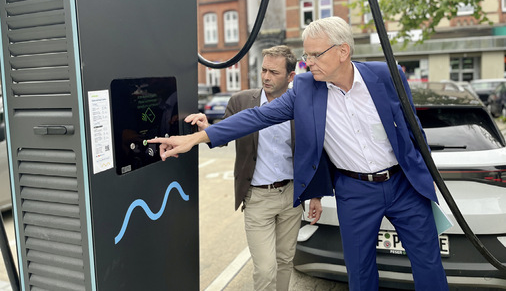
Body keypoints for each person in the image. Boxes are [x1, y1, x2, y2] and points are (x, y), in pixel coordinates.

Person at [149, 17, 449, 291]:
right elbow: (257, 117)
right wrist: (198, 138)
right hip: (355, 191)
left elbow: (414, 131)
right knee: (360, 272)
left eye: (315, 55)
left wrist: (427, 174)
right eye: (306, 55)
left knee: (428, 264)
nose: (308, 63)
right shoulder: (305, 89)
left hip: (403, 186)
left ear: (343, 51)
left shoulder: (388, 76)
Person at [187, 46, 322, 291]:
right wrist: (207, 128)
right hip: (258, 197)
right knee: (265, 269)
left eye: (274, 72)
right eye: (263, 70)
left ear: (291, 77)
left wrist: (315, 194)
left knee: (284, 261)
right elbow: (224, 136)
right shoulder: (240, 101)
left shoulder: (301, 105)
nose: (266, 77)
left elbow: (314, 150)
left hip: (291, 196)